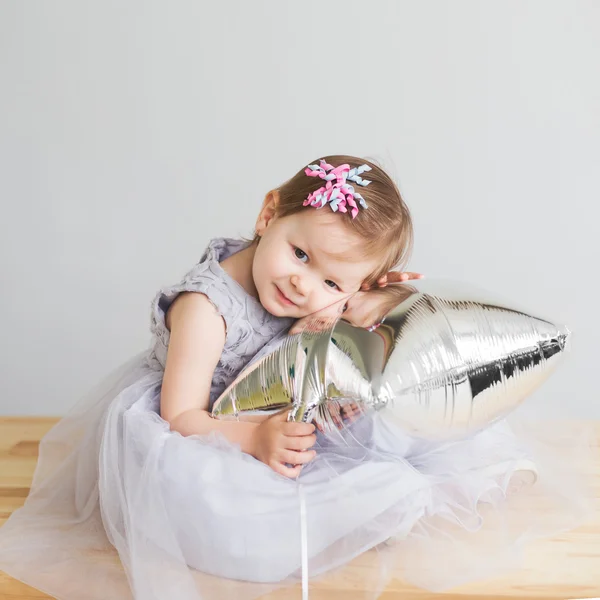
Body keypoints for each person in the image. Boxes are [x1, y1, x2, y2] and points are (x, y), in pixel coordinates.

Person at [0, 156, 593, 600]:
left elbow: (318, 341)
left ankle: (444, 484)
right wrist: (255, 440)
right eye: (302, 255)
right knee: (230, 512)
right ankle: (368, 510)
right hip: (208, 428)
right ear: (267, 215)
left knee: (393, 413)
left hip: (286, 403)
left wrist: (371, 300)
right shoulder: (205, 310)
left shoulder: (324, 287)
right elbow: (179, 417)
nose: (305, 288)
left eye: (335, 283)